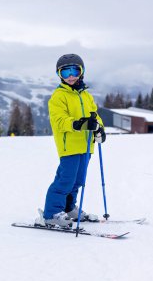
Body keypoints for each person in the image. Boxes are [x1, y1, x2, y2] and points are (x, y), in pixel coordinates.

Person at [42, 54, 106, 228]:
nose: (70, 76)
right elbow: (59, 121)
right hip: (68, 146)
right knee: (65, 180)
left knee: (78, 181)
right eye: (65, 72)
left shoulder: (86, 96)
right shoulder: (58, 96)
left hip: (86, 146)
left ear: (82, 72)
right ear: (59, 75)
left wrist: (99, 128)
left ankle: (69, 208)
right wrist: (79, 124)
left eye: (74, 70)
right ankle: (51, 213)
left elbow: (95, 116)